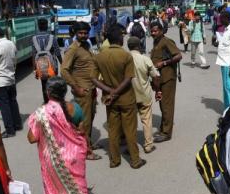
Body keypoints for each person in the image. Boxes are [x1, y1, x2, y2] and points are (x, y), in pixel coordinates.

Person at [27, 77, 92, 194]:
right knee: (79, 186)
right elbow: (82, 129)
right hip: (75, 155)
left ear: (48, 92)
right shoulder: (74, 107)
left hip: (54, 160)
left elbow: (32, 138)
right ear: (64, 92)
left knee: (56, 193)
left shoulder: (41, 113)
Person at [92, 27, 145, 169]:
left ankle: (114, 160)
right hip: (126, 97)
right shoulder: (126, 56)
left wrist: (110, 91)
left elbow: (93, 79)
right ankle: (135, 160)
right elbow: (128, 78)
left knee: (113, 130)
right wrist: (116, 91)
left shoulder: (99, 56)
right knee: (130, 130)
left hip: (110, 99)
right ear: (120, 39)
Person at [61, 22, 102, 161]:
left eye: (85, 33)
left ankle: (87, 143)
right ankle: (86, 151)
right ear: (76, 33)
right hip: (82, 89)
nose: (83, 35)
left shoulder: (86, 46)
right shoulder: (73, 49)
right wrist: (75, 87)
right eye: (81, 33)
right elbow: (64, 70)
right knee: (84, 122)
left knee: (90, 118)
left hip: (91, 88)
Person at [128, 36, 161, 154]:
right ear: (138, 46)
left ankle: (130, 146)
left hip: (129, 96)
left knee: (130, 122)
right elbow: (156, 77)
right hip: (144, 94)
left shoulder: (125, 58)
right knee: (146, 120)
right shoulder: (145, 59)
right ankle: (148, 145)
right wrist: (158, 91)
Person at [150, 21, 183, 142]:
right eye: (152, 31)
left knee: (167, 105)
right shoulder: (157, 41)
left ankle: (166, 133)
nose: (153, 33)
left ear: (161, 31)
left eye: (155, 31)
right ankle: (163, 127)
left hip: (168, 77)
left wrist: (164, 63)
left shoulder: (166, 41)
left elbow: (178, 56)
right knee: (162, 104)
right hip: (160, 78)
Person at [32, 18, 63, 104]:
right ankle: (55, 103)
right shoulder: (52, 37)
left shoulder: (34, 38)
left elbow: (33, 54)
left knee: (44, 85)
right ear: (47, 26)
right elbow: (57, 52)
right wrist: (62, 64)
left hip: (41, 67)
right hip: (52, 66)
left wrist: (35, 69)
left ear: (38, 26)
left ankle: (47, 103)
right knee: (53, 84)